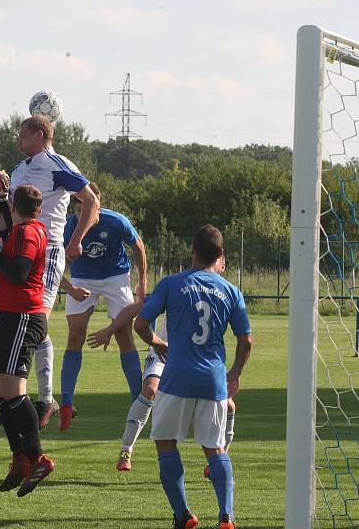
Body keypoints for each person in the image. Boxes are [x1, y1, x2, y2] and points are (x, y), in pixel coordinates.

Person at [132, 225, 252, 529]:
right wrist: (235, 374)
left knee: (164, 442)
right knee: (215, 448)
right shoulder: (231, 291)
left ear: (193, 251)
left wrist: (158, 343)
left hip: (177, 378)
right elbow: (246, 340)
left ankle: (183, 515)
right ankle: (226, 516)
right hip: (213, 380)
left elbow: (141, 323)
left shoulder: (172, 283)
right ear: (221, 255)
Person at [0, 115, 100, 428]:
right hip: (20, 248)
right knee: (29, 323)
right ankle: (23, 398)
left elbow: (91, 199)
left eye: (23, 135)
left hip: (46, 250)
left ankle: (38, 399)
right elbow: (11, 213)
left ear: (39, 134)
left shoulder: (57, 163)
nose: (19, 141)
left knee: (35, 321)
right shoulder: (20, 168)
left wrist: (76, 240)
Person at [88, 257, 236, 474]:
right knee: (150, 390)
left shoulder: (224, 292)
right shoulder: (180, 285)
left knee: (230, 406)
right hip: (164, 352)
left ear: (223, 266)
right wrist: (109, 331)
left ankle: (218, 458)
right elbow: (134, 310)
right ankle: (126, 449)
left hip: (198, 360)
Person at [57, 182, 147, 431]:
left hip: (115, 275)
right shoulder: (68, 227)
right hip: (83, 277)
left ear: (98, 206)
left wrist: (142, 282)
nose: (81, 213)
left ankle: (138, 401)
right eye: (77, 208)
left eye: (86, 207)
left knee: (123, 334)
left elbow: (138, 245)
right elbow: (51, 266)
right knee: (75, 334)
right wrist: (70, 288)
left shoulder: (116, 221)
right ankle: (66, 404)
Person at [0, 184, 53, 497]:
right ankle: (20, 458)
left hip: (23, 317)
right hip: (12, 316)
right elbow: (11, 220)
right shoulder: (23, 226)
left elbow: (19, 272)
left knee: (13, 391)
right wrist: (3, 199)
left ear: (17, 206)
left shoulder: (28, 232)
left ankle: (38, 458)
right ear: (38, 209)